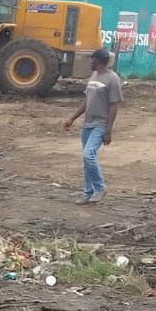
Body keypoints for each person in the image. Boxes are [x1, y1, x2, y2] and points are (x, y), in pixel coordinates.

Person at [63, 48, 123, 205]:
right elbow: (86, 101)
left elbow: (113, 107)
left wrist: (108, 130)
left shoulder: (113, 79)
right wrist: (72, 119)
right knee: (87, 160)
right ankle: (88, 192)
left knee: (88, 155)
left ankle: (100, 187)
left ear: (98, 60)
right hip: (87, 124)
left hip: (100, 124)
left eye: (92, 59)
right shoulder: (94, 76)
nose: (90, 61)